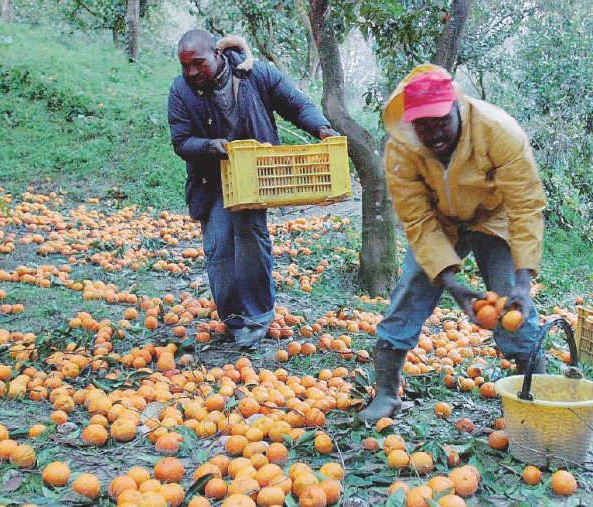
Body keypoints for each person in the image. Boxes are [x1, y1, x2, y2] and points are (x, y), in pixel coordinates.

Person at [358, 65, 547, 422]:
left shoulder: (498, 131)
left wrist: (524, 282)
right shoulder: (401, 149)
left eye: (441, 121)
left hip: (493, 216)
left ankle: (534, 392)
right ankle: (385, 393)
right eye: (423, 125)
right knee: (412, 287)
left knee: (510, 299)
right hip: (439, 221)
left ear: (456, 107)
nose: (433, 133)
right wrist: (451, 284)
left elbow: (525, 207)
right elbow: (416, 218)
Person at [168, 29, 338, 348]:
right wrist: (208, 146)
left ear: (217, 54)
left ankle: (258, 316)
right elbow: (180, 140)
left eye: (198, 63)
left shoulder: (254, 74)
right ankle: (233, 319)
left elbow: (296, 105)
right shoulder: (181, 90)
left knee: (249, 242)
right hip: (212, 179)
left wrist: (321, 127)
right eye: (185, 66)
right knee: (219, 248)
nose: (191, 72)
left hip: (253, 175)